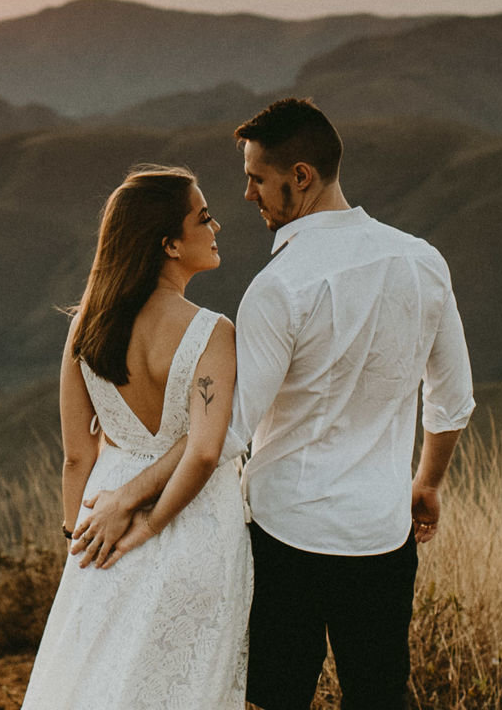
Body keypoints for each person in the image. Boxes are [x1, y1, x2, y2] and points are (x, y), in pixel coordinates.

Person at [70, 98, 475, 710]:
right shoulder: (422, 261)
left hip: (288, 536)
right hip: (382, 534)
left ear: (301, 177)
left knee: (276, 696)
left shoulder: (279, 287)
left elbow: (227, 431)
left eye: (257, 178)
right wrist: (427, 484)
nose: (248, 195)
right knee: (379, 695)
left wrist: (131, 495)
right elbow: (451, 400)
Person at [20, 164, 252, 710]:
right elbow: (203, 451)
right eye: (204, 217)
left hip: (102, 520)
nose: (216, 227)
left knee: (96, 687)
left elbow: (77, 456)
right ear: (170, 243)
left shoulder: (86, 328)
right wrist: (149, 524)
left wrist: (80, 542)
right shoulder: (213, 333)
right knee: (185, 689)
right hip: (198, 527)